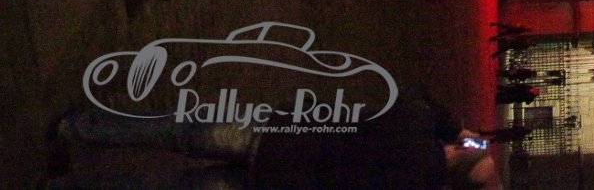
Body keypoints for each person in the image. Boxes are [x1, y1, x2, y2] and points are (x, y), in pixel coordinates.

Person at [47, 88, 498, 189]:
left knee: (176, 129)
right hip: (276, 183)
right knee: (166, 188)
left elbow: (410, 95)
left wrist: (452, 125)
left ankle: (78, 129)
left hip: (277, 136)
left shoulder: (416, 126)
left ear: (462, 149)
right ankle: (67, 187)